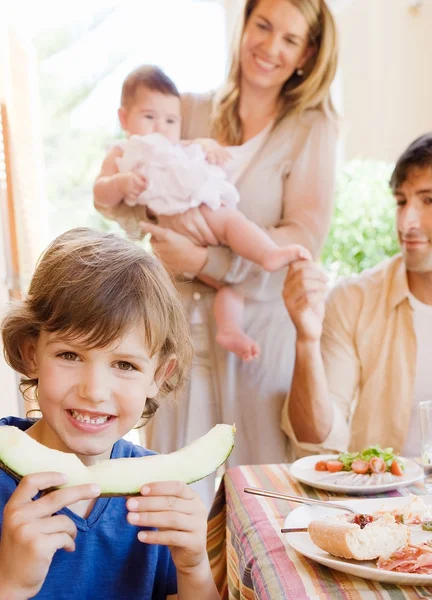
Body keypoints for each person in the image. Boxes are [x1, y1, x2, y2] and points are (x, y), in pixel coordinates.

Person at [95, 0, 338, 506]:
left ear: (307, 54)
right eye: (263, 25)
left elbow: (301, 238)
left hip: (256, 331)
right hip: (178, 326)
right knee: (171, 490)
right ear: (244, 24)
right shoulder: (189, 106)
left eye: (290, 39)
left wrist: (205, 262)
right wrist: (159, 223)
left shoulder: (312, 127)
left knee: (261, 492)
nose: (270, 47)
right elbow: (132, 197)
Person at [0, 228, 221, 600]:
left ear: (159, 375)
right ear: (30, 352)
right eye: (70, 355)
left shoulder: (157, 497)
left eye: (124, 364)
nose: (94, 390)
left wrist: (194, 567)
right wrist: (11, 585)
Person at [281, 132, 432, 459]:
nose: (406, 221)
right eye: (401, 201)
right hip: (380, 504)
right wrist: (306, 340)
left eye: (429, 200)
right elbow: (315, 439)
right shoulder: (352, 299)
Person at [94, 65, 309, 362]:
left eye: (170, 120)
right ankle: (268, 254)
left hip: (200, 210)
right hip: (176, 222)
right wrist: (119, 184)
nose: (160, 127)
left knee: (231, 284)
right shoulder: (123, 152)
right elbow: (100, 192)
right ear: (124, 118)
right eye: (149, 117)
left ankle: (230, 327)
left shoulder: (179, 146)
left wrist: (208, 146)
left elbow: (198, 148)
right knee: (230, 224)